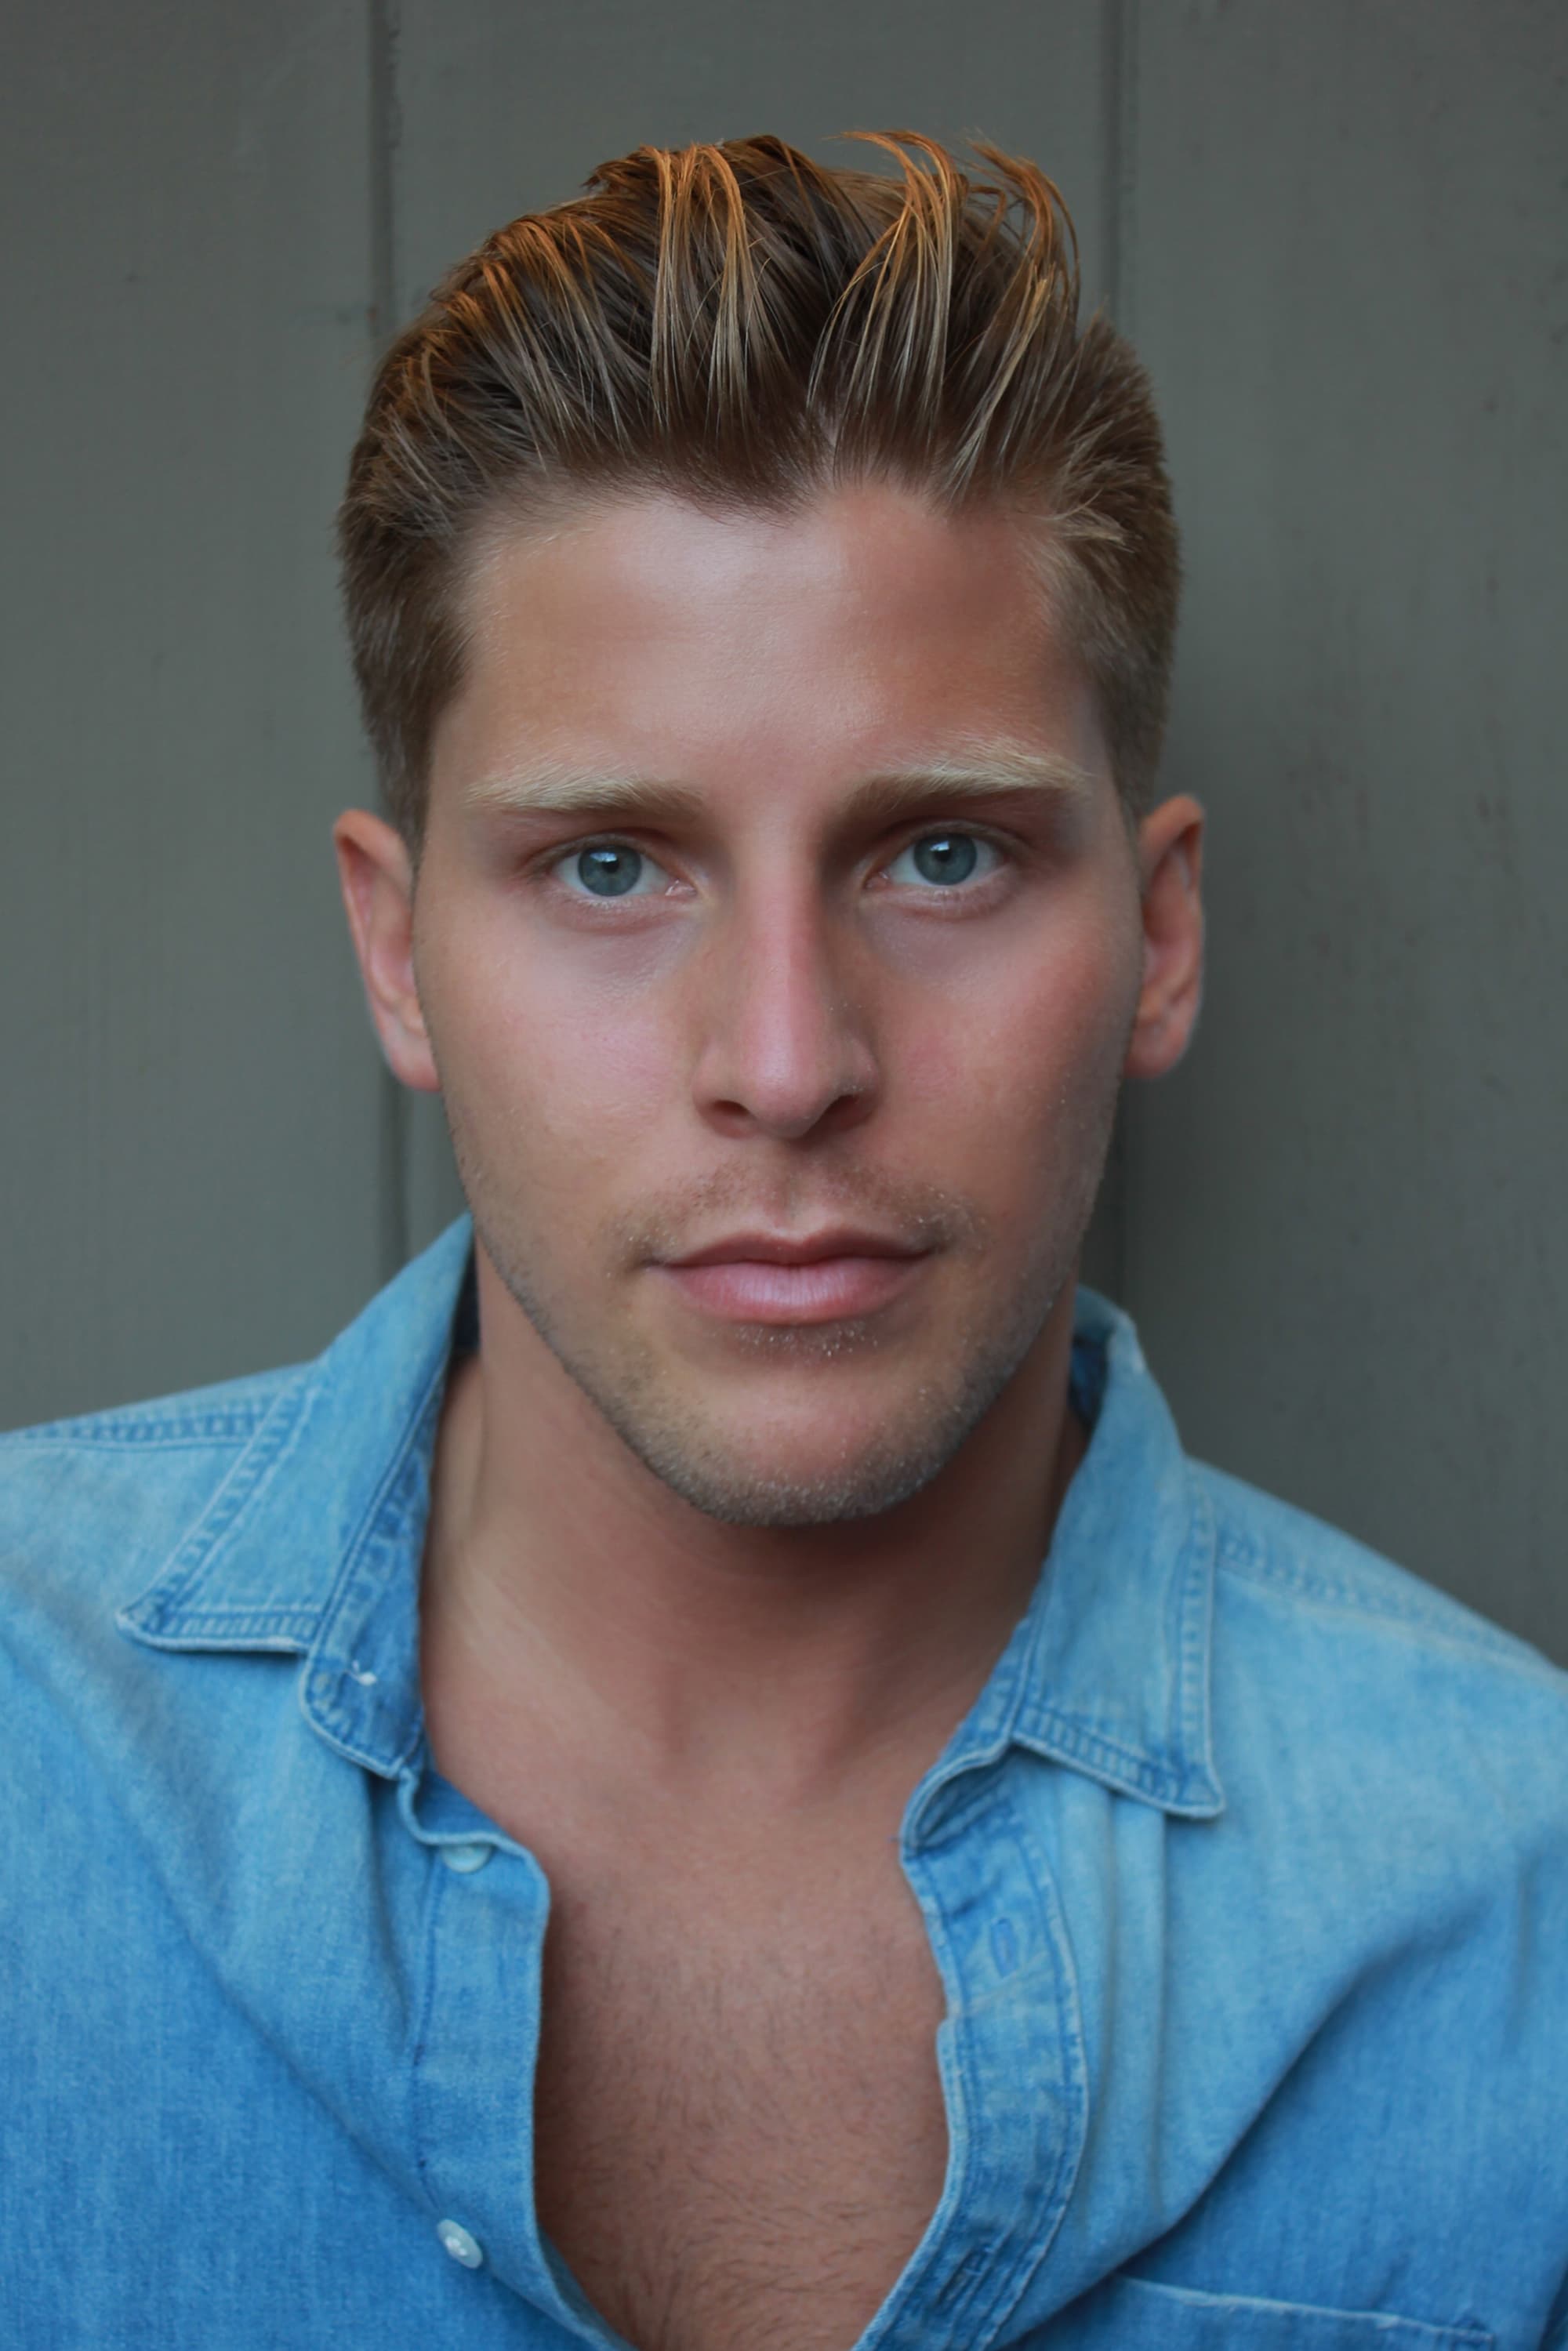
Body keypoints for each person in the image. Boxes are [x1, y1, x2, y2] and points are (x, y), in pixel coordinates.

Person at [2, 132, 1564, 2351]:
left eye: (943, 854)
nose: (788, 1061)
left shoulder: (1521, 1914)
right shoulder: (29, 1749)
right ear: (394, 953)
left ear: (1159, 938)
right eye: (611, 869)